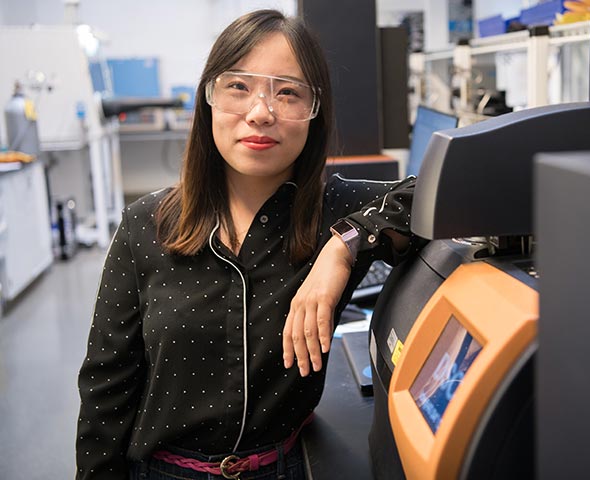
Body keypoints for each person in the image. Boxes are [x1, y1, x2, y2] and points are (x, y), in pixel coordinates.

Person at [76, 9, 422, 480]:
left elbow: (447, 187)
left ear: (314, 112)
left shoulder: (336, 209)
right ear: (209, 98)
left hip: (285, 467)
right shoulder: (147, 223)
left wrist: (342, 247)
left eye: (289, 92)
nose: (261, 112)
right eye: (239, 86)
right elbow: (106, 386)